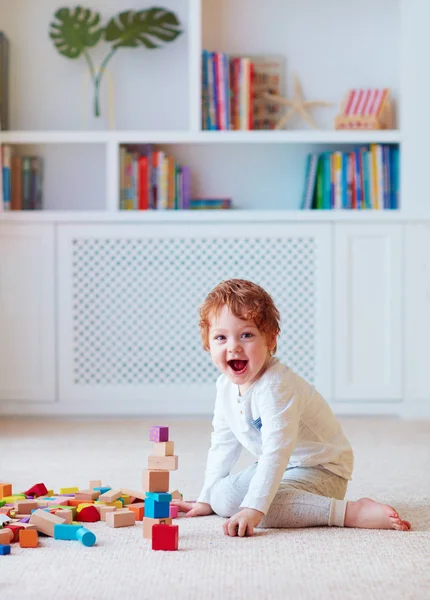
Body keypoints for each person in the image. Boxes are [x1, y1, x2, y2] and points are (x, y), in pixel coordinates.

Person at [172, 279, 411, 537]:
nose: (233, 346)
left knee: (263, 510)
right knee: (222, 498)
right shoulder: (225, 386)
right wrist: (205, 498)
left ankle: (351, 512)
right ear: (208, 344)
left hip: (321, 468)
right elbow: (223, 443)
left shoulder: (276, 386)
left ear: (270, 340)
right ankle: (234, 498)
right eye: (221, 337)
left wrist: (254, 508)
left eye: (247, 335)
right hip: (281, 465)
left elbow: (277, 451)